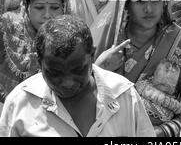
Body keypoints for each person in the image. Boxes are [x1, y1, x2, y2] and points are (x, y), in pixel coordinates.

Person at [0, 14, 155, 137]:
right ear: (39, 63)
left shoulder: (124, 95)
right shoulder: (19, 104)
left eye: (77, 70)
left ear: (93, 55)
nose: (67, 83)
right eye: (55, 72)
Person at [95, 0, 181, 137]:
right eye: (140, 1)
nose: (149, 9)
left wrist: (163, 132)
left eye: (156, 0)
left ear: (164, 2)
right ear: (126, 5)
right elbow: (83, 98)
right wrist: (100, 68)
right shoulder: (108, 42)